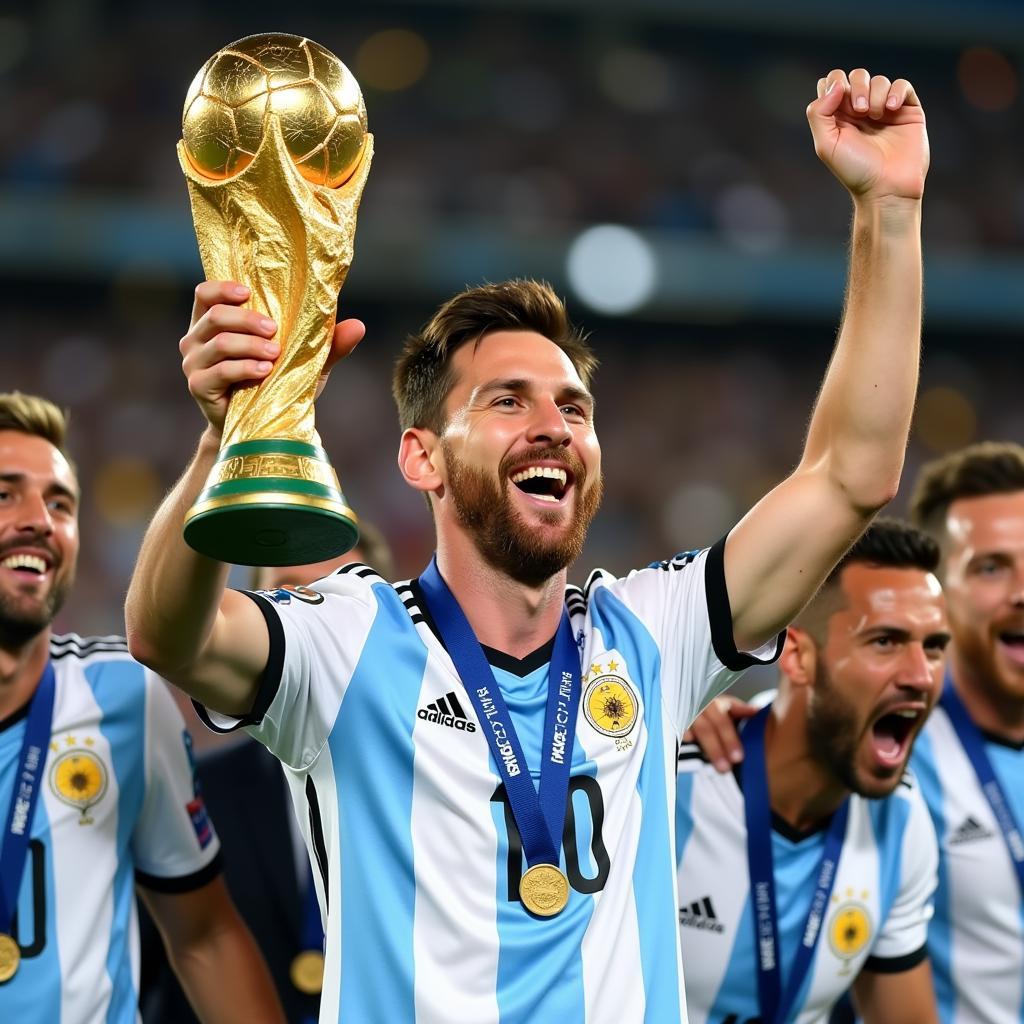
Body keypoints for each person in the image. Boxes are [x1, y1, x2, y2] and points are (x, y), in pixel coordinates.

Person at [125, 67, 928, 1022]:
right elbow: (168, 635)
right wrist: (228, 438)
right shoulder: (346, 644)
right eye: (507, 400)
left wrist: (889, 207)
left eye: (574, 407)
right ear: (420, 458)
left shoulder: (648, 634)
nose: (553, 424)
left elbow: (851, 475)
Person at [0, 392, 283, 1022]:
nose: (39, 520)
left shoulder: (121, 697)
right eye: (5, 495)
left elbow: (205, 937)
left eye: (59, 503)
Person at [677, 519, 947, 1024]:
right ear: (798, 655)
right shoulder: (669, 788)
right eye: (886, 641)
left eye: (933, 646)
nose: (920, 675)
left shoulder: (904, 824)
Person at [141, 525, 394, 1024]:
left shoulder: (445, 789)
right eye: (290, 597)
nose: (314, 627)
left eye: (337, 598)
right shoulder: (194, 795)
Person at [907, 442, 1024, 1023]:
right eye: (991, 567)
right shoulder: (891, 748)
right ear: (938, 594)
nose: (1022, 590)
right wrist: (721, 722)